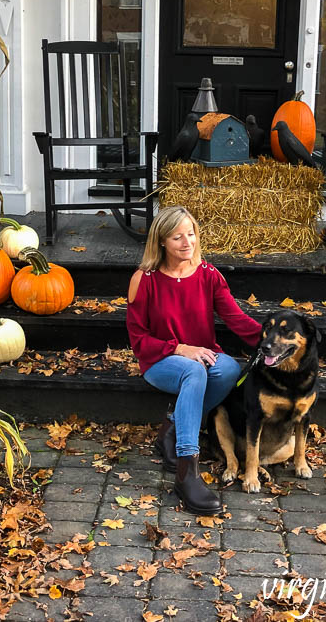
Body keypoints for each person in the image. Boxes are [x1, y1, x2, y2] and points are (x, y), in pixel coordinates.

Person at [126, 205, 262, 514]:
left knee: (228, 368)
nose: (187, 243)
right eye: (177, 237)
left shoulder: (208, 275)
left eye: (191, 234)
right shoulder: (144, 279)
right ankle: (187, 472)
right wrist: (179, 348)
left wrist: (269, 342)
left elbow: (236, 319)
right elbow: (138, 339)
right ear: (161, 241)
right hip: (160, 360)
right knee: (194, 373)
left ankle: (171, 429)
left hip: (201, 357)